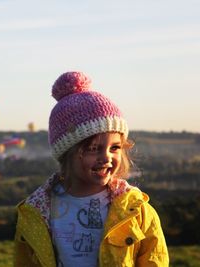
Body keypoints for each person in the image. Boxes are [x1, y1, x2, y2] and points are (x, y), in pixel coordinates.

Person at [14, 71, 169, 266]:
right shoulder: (38, 212)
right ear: (67, 153)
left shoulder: (136, 211)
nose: (106, 157)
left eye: (115, 148)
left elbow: (155, 260)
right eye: (93, 148)